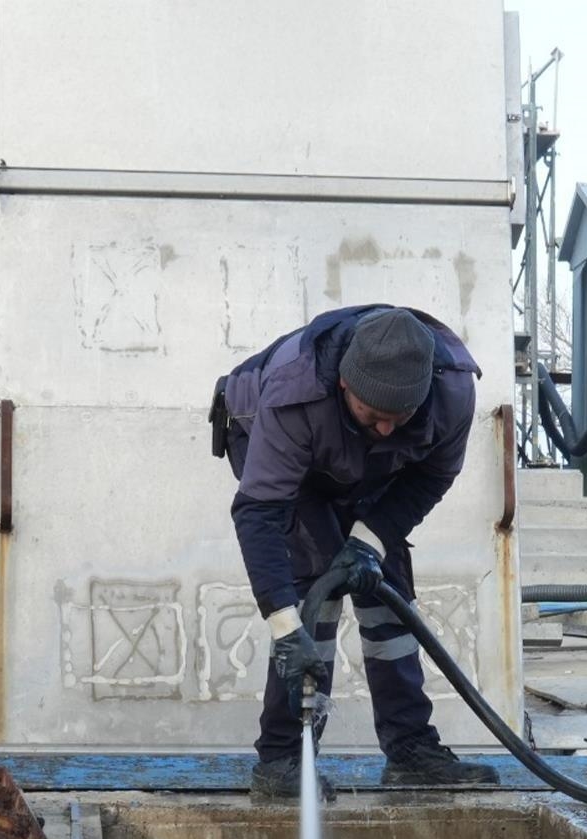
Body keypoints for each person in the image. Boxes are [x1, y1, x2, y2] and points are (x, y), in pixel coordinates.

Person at [211, 304, 499, 800]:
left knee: (385, 586)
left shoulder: (451, 391)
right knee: (314, 582)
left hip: (364, 463)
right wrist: (284, 625)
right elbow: (259, 511)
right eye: (375, 415)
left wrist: (368, 542)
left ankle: (410, 748)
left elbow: (432, 476)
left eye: (399, 417)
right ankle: (283, 760)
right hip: (263, 434)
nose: (387, 428)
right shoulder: (293, 393)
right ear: (346, 386)